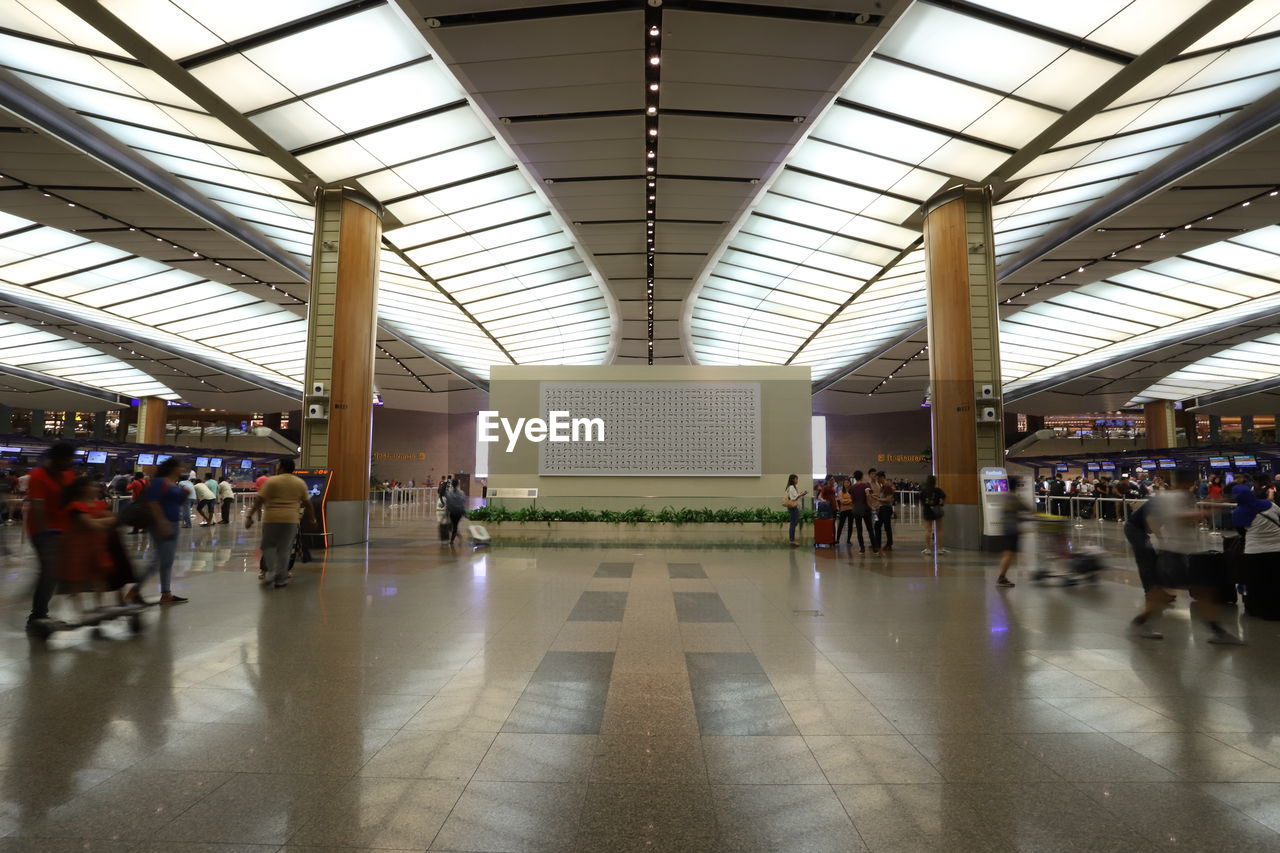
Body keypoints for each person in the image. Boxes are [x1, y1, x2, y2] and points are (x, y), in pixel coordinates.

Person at [1128, 489, 1240, 644]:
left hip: (1184, 552)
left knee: (1200, 591)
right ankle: (1139, 623)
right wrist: (1209, 512)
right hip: (1172, 553)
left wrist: (1209, 507)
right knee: (1167, 592)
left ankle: (1218, 631)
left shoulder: (1183, 496)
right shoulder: (1171, 497)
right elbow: (1178, 517)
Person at [24, 443, 78, 632]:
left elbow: (73, 501)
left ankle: (40, 600)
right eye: (66, 459)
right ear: (55, 458)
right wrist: (45, 532)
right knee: (49, 570)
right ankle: (37, 615)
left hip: (63, 529)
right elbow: (38, 507)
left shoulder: (69, 474)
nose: (69, 463)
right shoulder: (38, 476)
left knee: (54, 570)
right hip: (41, 530)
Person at [247, 458, 314, 588]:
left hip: (272, 518)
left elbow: (259, 500)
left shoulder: (271, 481)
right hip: (291, 520)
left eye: (278, 466)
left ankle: (271, 571)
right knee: (285, 549)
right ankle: (280, 579)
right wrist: (312, 518)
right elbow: (308, 503)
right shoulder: (299, 482)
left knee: (268, 546)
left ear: (282, 467)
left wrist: (250, 516)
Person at [58, 477, 120, 618]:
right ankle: (79, 612)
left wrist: (98, 521)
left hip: (97, 546)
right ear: (82, 489)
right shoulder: (75, 506)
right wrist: (104, 521)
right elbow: (94, 524)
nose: (95, 488)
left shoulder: (98, 504)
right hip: (77, 548)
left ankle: (99, 607)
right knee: (77, 580)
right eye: (92, 486)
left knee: (99, 578)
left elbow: (114, 519)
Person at [130, 457, 188, 605]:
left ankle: (166, 593)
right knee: (160, 560)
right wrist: (162, 522)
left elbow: (177, 503)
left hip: (173, 524)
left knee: (166, 560)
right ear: (172, 468)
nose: (182, 469)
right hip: (162, 524)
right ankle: (135, 591)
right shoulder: (159, 482)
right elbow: (153, 502)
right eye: (180, 466)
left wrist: (184, 495)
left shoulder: (172, 483)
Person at [1233, 483, 1280, 620]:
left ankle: (1258, 609)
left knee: (1257, 582)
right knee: (1276, 580)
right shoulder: (1269, 505)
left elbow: (1241, 532)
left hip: (1255, 552)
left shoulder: (1239, 512)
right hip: (1277, 549)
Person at [994, 478, 1030, 588]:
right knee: (1009, 553)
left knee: (1010, 553)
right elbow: (1027, 508)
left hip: (1007, 528)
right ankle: (1001, 577)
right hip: (1012, 529)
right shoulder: (1014, 498)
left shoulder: (1006, 496)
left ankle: (1003, 576)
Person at [846, 471, 873, 553]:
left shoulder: (852, 488)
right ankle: (875, 548)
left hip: (856, 510)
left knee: (859, 530)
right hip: (865, 509)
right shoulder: (866, 486)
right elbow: (869, 496)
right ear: (862, 476)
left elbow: (852, 497)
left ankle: (862, 548)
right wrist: (871, 506)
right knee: (870, 529)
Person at [921, 475, 947, 555]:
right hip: (937, 511)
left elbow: (922, 501)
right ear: (935, 482)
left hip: (927, 510)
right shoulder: (938, 490)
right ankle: (940, 549)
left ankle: (928, 549)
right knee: (939, 530)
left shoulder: (924, 491)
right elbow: (943, 498)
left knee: (928, 530)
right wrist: (940, 503)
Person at [873, 472, 895, 553]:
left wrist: (878, 499)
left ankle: (889, 544)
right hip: (882, 508)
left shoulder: (888, 486)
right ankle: (877, 544)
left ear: (882, 477)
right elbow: (882, 497)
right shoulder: (882, 487)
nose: (877, 480)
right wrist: (875, 497)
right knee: (877, 525)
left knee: (887, 527)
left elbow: (888, 499)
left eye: (878, 478)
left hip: (886, 509)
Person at [783, 474, 806, 547]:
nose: (797, 481)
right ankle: (792, 540)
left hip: (791, 507)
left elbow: (793, 496)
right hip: (793, 507)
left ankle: (791, 540)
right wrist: (801, 494)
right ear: (793, 479)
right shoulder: (792, 487)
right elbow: (794, 498)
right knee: (793, 523)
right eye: (796, 479)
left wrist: (799, 494)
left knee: (794, 522)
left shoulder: (790, 487)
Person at [445, 480, 468, 544]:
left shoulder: (449, 493)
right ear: (458, 485)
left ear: (452, 484)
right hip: (459, 513)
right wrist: (464, 513)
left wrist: (446, 513)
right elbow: (463, 504)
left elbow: (447, 504)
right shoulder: (462, 493)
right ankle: (458, 536)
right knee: (454, 526)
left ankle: (452, 540)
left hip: (452, 513)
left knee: (454, 526)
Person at [835, 478, 854, 547]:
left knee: (850, 525)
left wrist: (847, 500)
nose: (846, 484)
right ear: (843, 484)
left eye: (848, 482)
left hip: (851, 510)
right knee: (841, 525)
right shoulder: (841, 492)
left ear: (850, 483)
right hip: (843, 510)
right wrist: (850, 500)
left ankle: (848, 540)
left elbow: (854, 499)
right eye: (845, 482)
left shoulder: (852, 491)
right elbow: (842, 501)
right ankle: (837, 539)